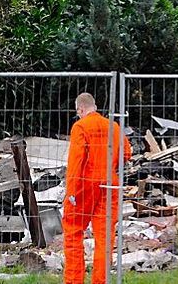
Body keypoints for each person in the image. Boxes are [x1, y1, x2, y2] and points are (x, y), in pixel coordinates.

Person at [62, 92, 132, 284]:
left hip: (85, 183)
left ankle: (74, 280)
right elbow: (126, 153)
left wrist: (71, 192)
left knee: (74, 231)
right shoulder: (114, 126)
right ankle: (101, 281)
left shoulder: (80, 126)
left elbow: (76, 161)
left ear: (80, 109)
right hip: (110, 185)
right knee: (105, 236)